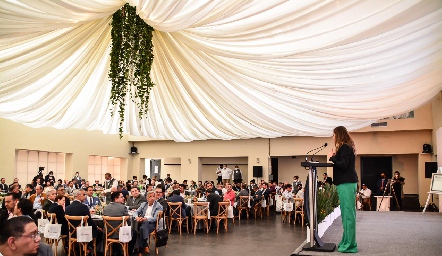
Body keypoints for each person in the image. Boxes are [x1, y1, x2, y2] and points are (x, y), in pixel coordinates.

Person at [328, 126, 358, 253]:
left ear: (338, 134)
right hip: (345, 184)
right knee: (346, 215)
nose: (332, 137)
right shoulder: (345, 147)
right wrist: (335, 156)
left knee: (348, 215)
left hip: (347, 183)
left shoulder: (345, 147)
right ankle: (346, 241)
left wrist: (332, 157)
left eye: (334, 134)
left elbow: (343, 165)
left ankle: (350, 245)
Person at [134, 191, 162, 255]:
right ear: (147, 198)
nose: (152, 198)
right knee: (143, 226)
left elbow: (155, 218)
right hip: (142, 222)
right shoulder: (143, 204)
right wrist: (137, 217)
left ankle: (140, 249)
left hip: (152, 224)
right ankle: (145, 245)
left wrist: (145, 219)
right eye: (150, 197)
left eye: (153, 196)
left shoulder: (158, 206)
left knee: (142, 229)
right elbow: (136, 212)